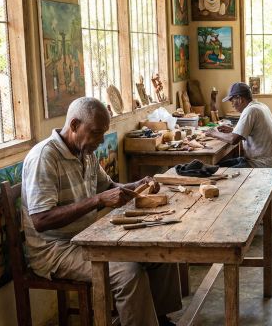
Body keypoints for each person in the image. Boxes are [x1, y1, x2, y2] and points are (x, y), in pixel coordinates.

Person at [21, 97, 181, 326]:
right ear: (74, 125)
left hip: (87, 238)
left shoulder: (85, 151)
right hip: (54, 249)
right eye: (96, 132)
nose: (100, 140)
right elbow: (41, 220)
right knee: (128, 273)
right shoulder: (44, 157)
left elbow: (108, 188)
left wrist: (136, 185)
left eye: (103, 133)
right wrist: (97, 201)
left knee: (160, 252)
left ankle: (160, 319)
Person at [206, 82, 272, 168]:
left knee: (215, 171)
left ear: (239, 99)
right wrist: (233, 130)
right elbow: (253, 131)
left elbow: (233, 140)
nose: (232, 105)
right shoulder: (261, 106)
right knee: (216, 166)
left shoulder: (250, 110)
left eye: (232, 101)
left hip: (260, 164)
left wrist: (213, 133)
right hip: (265, 159)